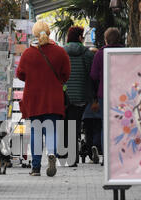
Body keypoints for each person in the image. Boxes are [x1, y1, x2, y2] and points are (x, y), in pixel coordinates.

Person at [16, 21, 71, 177]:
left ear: (34, 34)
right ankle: (52, 153)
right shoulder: (60, 52)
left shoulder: (28, 53)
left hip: (33, 98)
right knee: (51, 129)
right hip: (53, 98)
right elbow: (66, 74)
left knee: (36, 132)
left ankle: (35, 167)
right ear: (49, 33)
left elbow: (20, 74)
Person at [85, 27, 124, 164]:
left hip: (105, 93)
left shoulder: (100, 54)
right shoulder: (125, 53)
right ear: (119, 39)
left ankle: (105, 157)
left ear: (106, 40)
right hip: (122, 94)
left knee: (105, 125)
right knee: (121, 124)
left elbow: (94, 75)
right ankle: (120, 154)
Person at [63, 26, 96, 167]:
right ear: (79, 38)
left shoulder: (62, 52)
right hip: (81, 96)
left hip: (64, 95)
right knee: (75, 126)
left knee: (64, 125)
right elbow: (92, 75)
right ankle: (73, 157)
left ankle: (66, 154)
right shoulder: (87, 54)